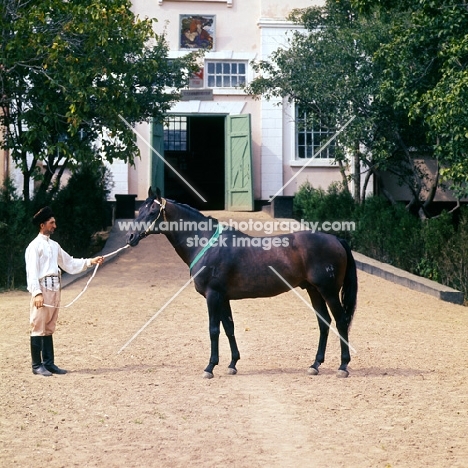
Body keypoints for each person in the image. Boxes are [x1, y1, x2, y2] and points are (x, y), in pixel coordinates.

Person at [25, 206, 104, 377]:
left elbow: (69, 263)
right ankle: (36, 365)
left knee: (49, 326)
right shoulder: (34, 247)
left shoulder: (54, 246)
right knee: (38, 325)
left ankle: (49, 363)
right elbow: (31, 271)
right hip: (43, 289)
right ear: (42, 225)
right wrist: (36, 292)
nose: (54, 226)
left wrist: (90, 261)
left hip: (55, 289)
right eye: (51, 223)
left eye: (54, 222)